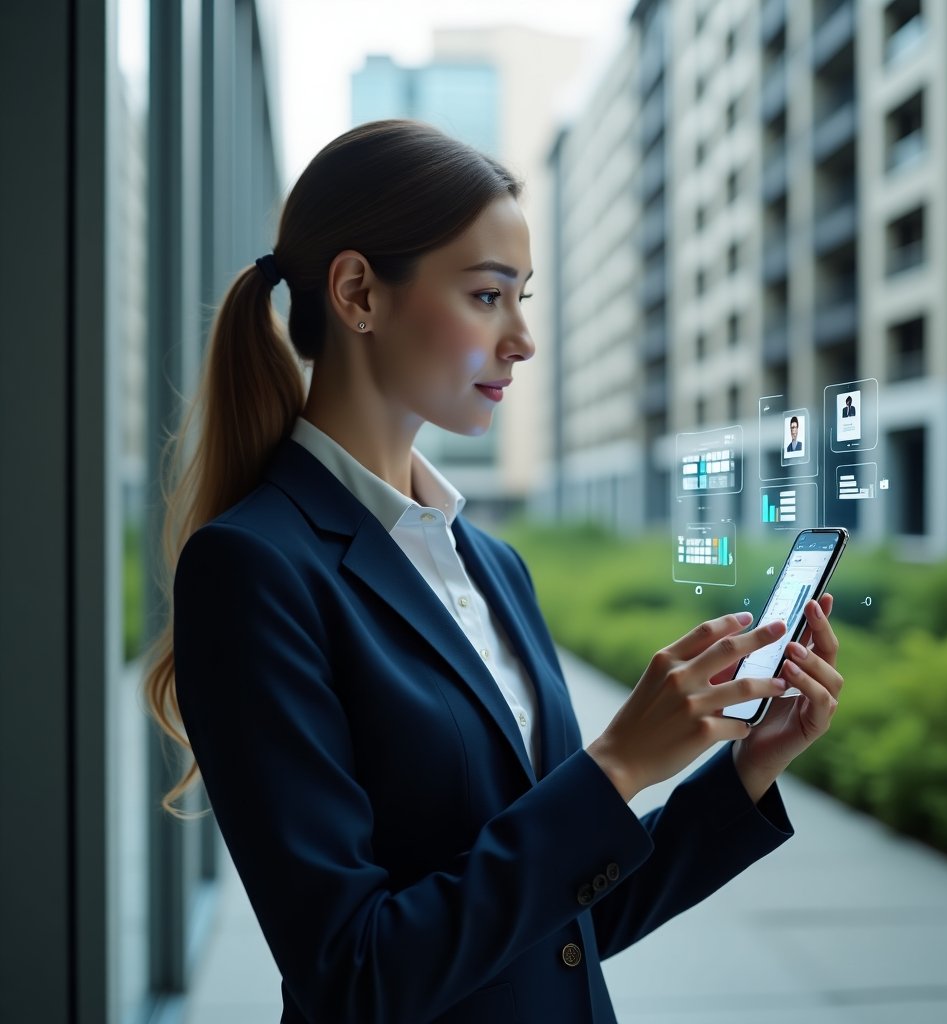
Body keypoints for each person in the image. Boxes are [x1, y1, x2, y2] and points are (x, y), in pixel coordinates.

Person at [145, 120, 843, 1024]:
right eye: (487, 295)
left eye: (523, 298)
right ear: (359, 292)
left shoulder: (492, 565)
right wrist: (620, 762)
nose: (522, 339)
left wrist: (746, 770)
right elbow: (354, 975)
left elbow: (565, 921)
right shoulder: (253, 568)